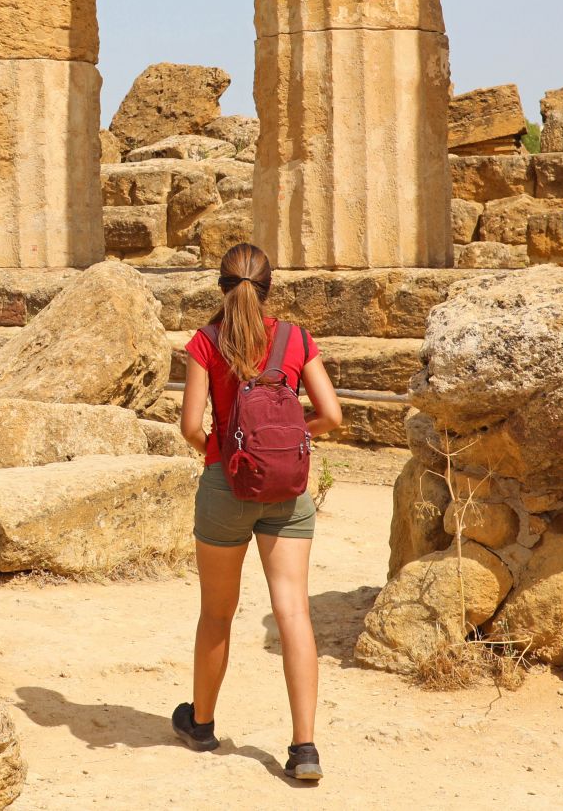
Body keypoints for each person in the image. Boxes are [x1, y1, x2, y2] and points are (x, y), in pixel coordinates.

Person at [171, 242, 342, 783]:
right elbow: (332, 415)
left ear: (221, 286)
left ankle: (200, 724)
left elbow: (191, 426)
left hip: (227, 484)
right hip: (286, 488)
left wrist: (223, 451)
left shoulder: (206, 341)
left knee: (217, 612)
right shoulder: (295, 339)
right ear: (271, 288)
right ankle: (305, 747)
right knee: (293, 611)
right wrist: (293, 438)